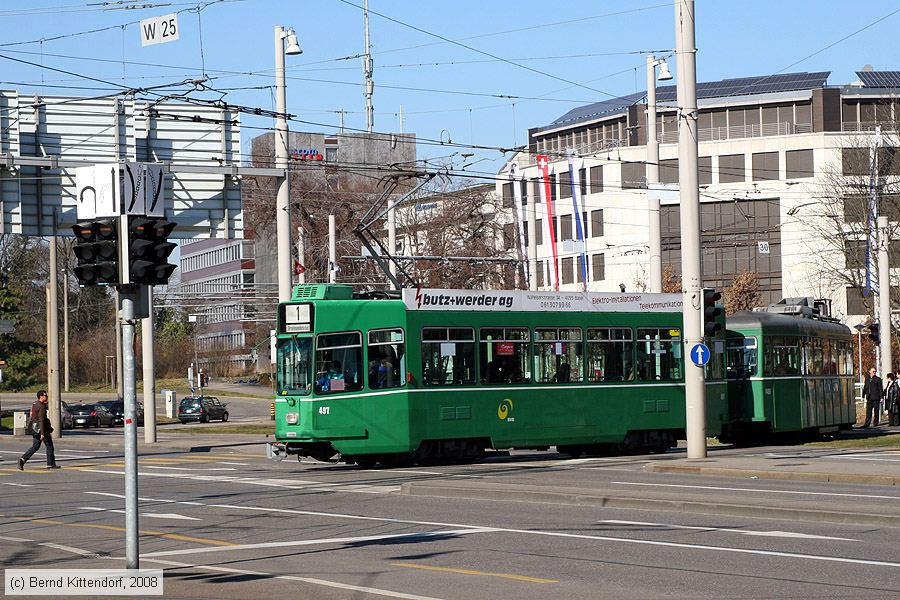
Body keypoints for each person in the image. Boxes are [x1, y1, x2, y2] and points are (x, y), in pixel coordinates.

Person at [18, 390, 59, 470]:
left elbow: (33, 416)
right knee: (49, 446)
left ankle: (22, 460)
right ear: (41, 397)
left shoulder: (35, 404)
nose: (46, 397)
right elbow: (41, 420)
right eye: (45, 396)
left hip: (35, 429)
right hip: (42, 430)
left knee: (35, 446)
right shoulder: (41, 406)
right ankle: (51, 464)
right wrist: (42, 433)